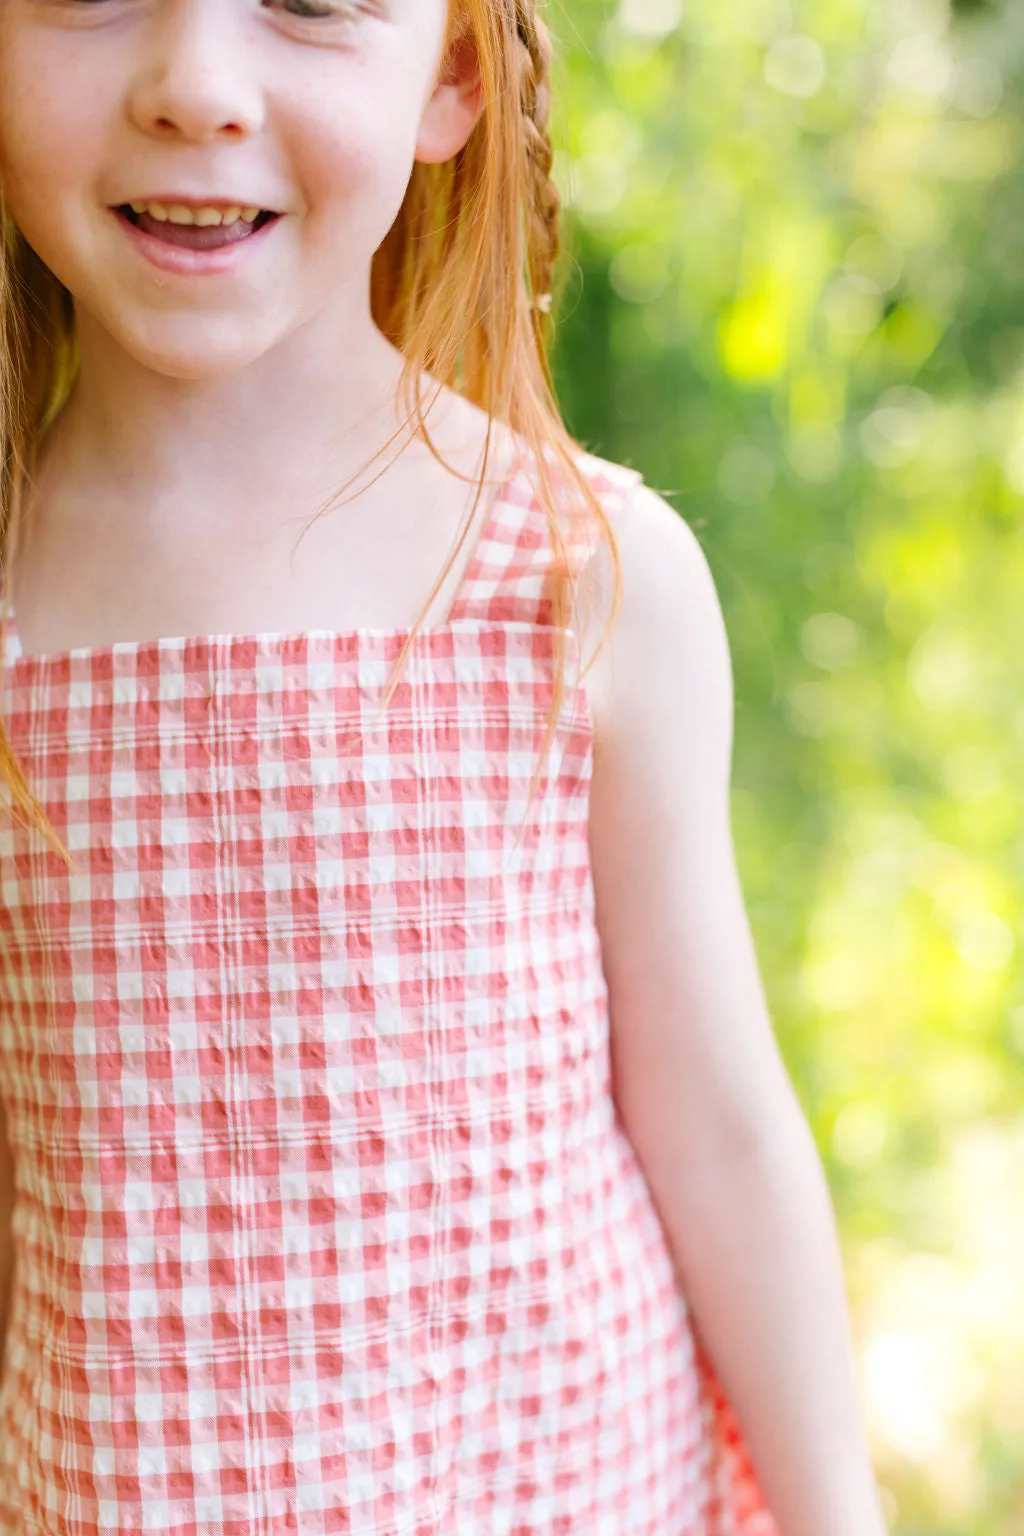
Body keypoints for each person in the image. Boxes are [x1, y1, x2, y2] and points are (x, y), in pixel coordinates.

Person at [0, 1, 888, 1532]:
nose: (197, 86)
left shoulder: (579, 576)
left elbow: (720, 1130)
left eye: (308, 0)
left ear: (457, 75)